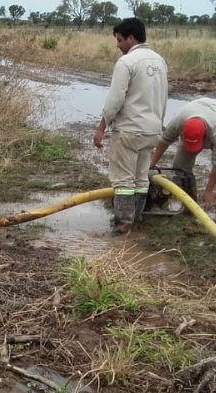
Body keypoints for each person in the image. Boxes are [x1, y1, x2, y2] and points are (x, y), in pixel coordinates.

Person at [93, 17, 167, 234]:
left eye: (119, 40)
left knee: (123, 181)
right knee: (141, 178)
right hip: (152, 130)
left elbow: (115, 100)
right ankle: (136, 220)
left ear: (131, 37)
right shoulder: (159, 61)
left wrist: (101, 128)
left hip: (130, 130)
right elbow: (163, 98)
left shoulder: (127, 62)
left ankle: (123, 227)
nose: (117, 45)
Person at [149, 98, 216, 207]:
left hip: (215, 123)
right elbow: (164, 141)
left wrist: (209, 190)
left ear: (205, 136)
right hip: (198, 113)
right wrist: (151, 164)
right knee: (179, 168)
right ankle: (189, 203)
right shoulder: (179, 120)